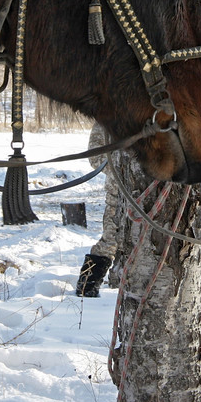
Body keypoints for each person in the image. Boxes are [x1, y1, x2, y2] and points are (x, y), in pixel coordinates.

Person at [76, 122, 121, 297]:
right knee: (110, 242)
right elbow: (95, 157)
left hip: (156, 194)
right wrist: (121, 168)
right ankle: (86, 289)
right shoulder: (107, 115)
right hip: (118, 197)